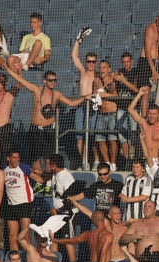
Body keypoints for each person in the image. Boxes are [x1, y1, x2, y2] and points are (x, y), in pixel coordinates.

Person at [4, 66, 85, 173]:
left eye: (55, 80)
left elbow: (71, 103)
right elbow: (20, 80)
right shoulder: (36, 90)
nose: (53, 82)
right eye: (50, 80)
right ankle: (38, 182)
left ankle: (48, 182)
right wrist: (7, 68)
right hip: (35, 130)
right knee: (36, 158)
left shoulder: (56, 94)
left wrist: (85, 98)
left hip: (49, 130)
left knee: (48, 159)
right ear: (45, 81)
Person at [44, 153, 78, 262]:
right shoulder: (55, 174)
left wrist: (57, 211)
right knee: (53, 238)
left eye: (49, 164)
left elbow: (72, 200)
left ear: (54, 165)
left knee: (67, 239)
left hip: (67, 213)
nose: (47, 166)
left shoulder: (66, 178)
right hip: (57, 213)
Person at [2, 149, 42, 251]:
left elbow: (40, 179)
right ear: (8, 158)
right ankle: (14, 261)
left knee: (25, 235)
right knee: (12, 237)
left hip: (24, 203)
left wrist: (39, 172)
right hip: (11, 205)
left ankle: (30, 258)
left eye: (18, 157)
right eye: (14, 158)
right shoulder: (3, 168)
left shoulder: (23, 167)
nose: (17, 160)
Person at [72, 28, 99, 170]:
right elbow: (74, 56)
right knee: (79, 136)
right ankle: (84, 161)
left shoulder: (98, 75)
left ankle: (95, 161)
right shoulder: (82, 71)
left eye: (93, 61)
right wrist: (78, 41)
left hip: (93, 106)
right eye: (89, 61)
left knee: (92, 135)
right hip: (81, 105)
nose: (90, 64)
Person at [134, 10, 159, 116]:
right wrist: (153, 70)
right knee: (146, 92)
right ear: (157, 19)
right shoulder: (151, 29)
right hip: (146, 62)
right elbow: (148, 51)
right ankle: (143, 121)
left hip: (156, 62)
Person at [128, 87, 159, 158]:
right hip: (145, 159)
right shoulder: (144, 124)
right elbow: (130, 109)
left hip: (157, 161)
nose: (152, 116)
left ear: (158, 115)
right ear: (147, 114)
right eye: (150, 114)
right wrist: (139, 94)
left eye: (154, 114)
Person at [93, 60, 121, 171]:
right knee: (99, 139)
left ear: (109, 69)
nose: (101, 70)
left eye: (104, 67)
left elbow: (116, 95)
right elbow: (96, 93)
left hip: (112, 113)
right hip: (101, 114)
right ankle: (107, 162)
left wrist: (105, 94)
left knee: (112, 139)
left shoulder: (114, 80)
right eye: (100, 67)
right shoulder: (96, 81)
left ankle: (113, 163)